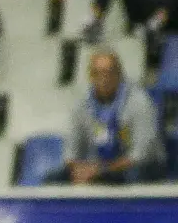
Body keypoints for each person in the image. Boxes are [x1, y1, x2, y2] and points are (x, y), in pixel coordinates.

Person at [48, 49, 161, 184]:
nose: (104, 79)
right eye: (97, 73)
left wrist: (102, 170)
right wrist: (79, 170)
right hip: (97, 166)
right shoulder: (82, 105)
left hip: (138, 167)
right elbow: (71, 151)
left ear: (119, 75)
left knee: (131, 174)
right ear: (90, 76)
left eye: (109, 72)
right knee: (53, 179)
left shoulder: (140, 102)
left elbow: (142, 154)